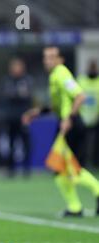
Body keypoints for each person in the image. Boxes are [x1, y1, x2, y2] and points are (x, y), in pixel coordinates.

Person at [22, 47, 99, 217]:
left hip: (70, 125)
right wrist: (36, 113)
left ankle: (78, 204)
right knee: (62, 168)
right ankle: (75, 207)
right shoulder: (55, 75)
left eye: (51, 57)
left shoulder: (61, 73)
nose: (47, 60)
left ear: (61, 59)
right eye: (45, 57)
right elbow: (58, 106)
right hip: (66, 123)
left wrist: (69, 119)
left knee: (67, 168)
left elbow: (80, 96)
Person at [0, 58, 33, 178]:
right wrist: (18, 94)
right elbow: (3, 95)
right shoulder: (7, 80)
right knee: (11, 144)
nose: (16, 69)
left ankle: (26, 170)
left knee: (26, 144)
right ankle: (10, 170)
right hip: (11, 117)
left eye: (18, 66)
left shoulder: (27, 80)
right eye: (14, 67)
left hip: (24, 117)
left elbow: (28, 96)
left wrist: (16, 94)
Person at [77, 60, 99, 167]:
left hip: (96, 118)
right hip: (83, 117)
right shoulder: (81, 81)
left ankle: (95, 164)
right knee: (82, 144)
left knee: (96, 145)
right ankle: (82, 164)